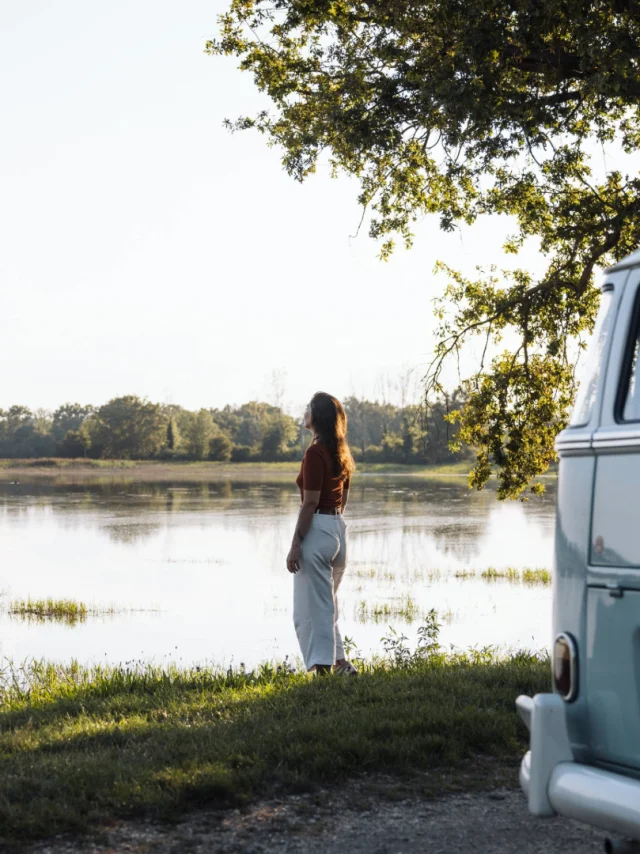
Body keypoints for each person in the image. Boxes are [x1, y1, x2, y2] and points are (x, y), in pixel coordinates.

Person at [287, 392, 357, 675]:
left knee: (311, 610)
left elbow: (310, 502)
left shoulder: (315, 453)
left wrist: (296, 544)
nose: (304, 411)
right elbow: (343, 499)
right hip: (338, 528)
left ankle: (323, 672)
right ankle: (341, 665)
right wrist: (333, 525)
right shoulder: (341, 451)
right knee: (327, 603)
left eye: (308, 408)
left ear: (317, 416)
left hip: (318, 530)